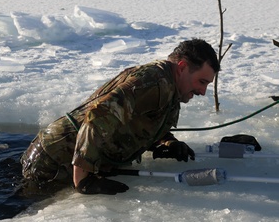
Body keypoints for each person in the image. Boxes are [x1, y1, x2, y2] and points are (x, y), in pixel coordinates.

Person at [21, 38, 219, 195]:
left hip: (71, 155)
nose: (202, 91)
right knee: (27, 206)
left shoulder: (170, 86)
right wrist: (83, 180)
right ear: (182, 67)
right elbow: (98, 114)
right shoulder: (153, 82)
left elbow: (142, 118)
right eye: (201, 82)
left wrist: (166, 142)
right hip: (55, 158)